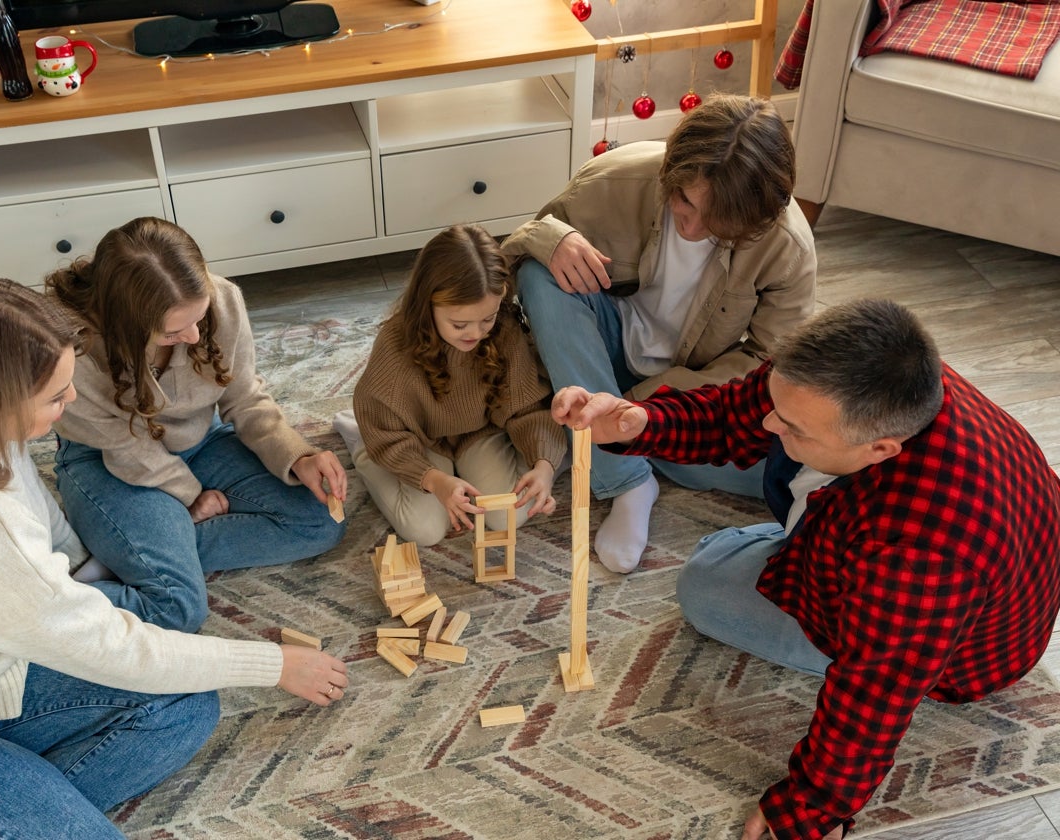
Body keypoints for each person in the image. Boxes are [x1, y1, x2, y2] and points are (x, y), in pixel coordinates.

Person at [0, 276, 349, 840]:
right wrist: (274, 666)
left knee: (184, 706)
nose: (72, 405)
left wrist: (82, 564)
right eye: (54, 398)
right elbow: (111, 646)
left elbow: (29, 502)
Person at [551, 298, 1060, 840]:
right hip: (921, 540)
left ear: (880, 447)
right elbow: (739, 411)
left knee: (705, 582)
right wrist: (639, 420)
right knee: (682, 441)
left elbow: (874, 694)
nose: (770, 421)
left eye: (793, 426)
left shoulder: (921, 555)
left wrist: (809, 810)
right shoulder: (867, 379)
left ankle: (778, 532)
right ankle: (787, 499)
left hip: (954, 650)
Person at [502, 93, 817, 574]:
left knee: (790, 455)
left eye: (713, 222)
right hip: (599, 349)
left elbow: (767, 367)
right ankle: (627, 479)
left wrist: (641, 408)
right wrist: (548, 239)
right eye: (684, 201)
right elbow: (507, 261)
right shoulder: (617, 178)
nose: (689, 225)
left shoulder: (787, 246)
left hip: (689, 386)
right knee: (541, 275)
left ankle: (599, 436)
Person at [47, 217, 347, 633]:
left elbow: (244, 396)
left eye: (198, 319)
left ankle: (129, 557)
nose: (192, 336)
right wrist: (192, 496)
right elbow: (129, 450)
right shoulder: (73, 350)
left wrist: (298, 456)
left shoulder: (221, 299)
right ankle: (73, 586)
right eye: (172, 332)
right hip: (108, 462)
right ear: (126, 324)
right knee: (177, 607)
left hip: (199, 440)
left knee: (320, 521)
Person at [333, 223, 566, 547]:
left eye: (488, 318)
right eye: (459, 324)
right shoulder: (395, 346)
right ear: (427, 305)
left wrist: (544, 465)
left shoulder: (504, 330)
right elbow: (387, 431)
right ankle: (360, 443)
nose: (476, 332)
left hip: (479, 433)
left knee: (508, 515)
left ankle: (466, 470)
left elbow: (526, 408)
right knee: (425, 531)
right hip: (416, 438)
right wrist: (435, 480)